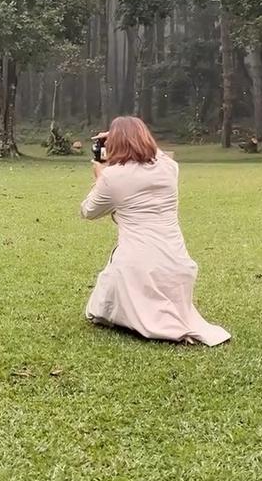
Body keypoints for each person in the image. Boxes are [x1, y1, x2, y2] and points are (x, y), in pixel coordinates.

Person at [80, 117, 230, 346]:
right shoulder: (169, 168)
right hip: (176, 260)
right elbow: (155, 153)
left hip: (138, 266)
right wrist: (127, 135)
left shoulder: (113, 177)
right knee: (111, 283)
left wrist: (99, 176)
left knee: (106, 300)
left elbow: (88, 211)